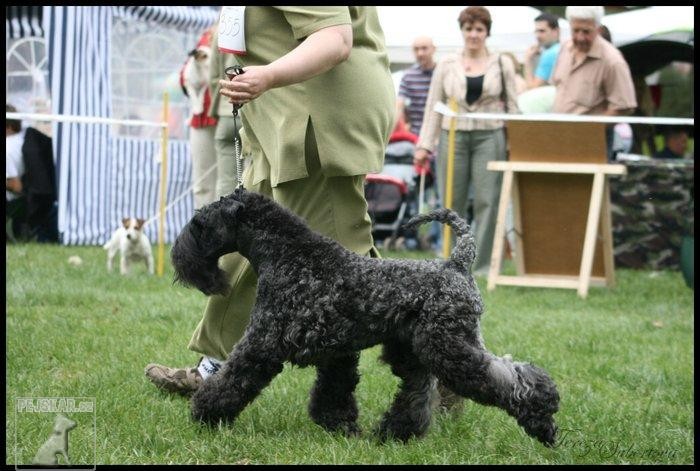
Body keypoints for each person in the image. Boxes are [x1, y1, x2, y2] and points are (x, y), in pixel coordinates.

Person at [145, 7, 395, 396]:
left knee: (347, 271)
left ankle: (442, 350)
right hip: (276, 116)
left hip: (315, 119)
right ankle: (215, 367)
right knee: (246, 240)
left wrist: (266, 76)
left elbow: (335, 38)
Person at [414, 6, 519, 275]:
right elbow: (432, 106)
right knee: (451, 202)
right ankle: (449, 264)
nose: (473, 34)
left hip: (490, 134)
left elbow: (513, 108)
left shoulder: (502, 63)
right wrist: (424, 145)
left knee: (487, 201)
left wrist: (517, 142)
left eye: (479, 29)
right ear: (462, 31)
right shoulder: (447, 64)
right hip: (453, 136)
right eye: (469, 29)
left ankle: (481, 266)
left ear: (487, 32)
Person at [551, 6, 636, 116]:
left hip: (589, 132)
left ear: (598, 29)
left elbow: (623, 107)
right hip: (557, 130)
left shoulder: (612, 60)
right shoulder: (564, 49)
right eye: (575, 30)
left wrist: (593, 129)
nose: (580, 37)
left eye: (586, 32)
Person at [6, 104, 58, 243]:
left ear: (9, 127)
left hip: (18, 201)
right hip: (37, 196)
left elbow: (16, 186)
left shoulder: (7, 149)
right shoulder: (24, 135)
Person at [180, 25, 218, 209]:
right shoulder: (207, 35)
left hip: (230, 113)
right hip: (202, 117)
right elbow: (184, 78)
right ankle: (203, 230)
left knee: (232, 178)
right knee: (202, 181)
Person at [208, 21, 246, 197]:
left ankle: (223, 223)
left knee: (225, 182)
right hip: (254, 113)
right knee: (253, 178)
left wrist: (217, 109)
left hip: (226, 113)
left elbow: (214, 77)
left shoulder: (222, 28)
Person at [396, 36, 437, 136]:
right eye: (416, 49)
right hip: (416, 135)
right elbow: (398, 106)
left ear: (434, 49)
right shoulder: (408, 76)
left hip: (440, 135)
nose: (420, 53)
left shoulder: (442, 73)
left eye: (424, 48)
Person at [523, 12, 561, 90]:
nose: (538, 36)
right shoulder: (563, 49)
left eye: (542, 31)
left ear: (556, 31)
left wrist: (527, 60)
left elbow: (532, 90)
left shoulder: (550, 54)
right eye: (536, 31)